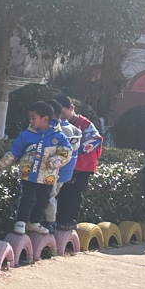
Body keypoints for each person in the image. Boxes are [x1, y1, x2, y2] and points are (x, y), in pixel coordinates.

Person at [0, 102, 73, 234]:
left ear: (45, 119)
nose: (31, 121)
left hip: (47, 177)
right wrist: (3, 164)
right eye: (30, 118)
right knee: (26, 198)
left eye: (33, 118)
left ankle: (34, 222)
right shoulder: (26, 135)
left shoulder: (59, 136)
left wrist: (54, 162)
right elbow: (15, 151)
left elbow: (66, 153)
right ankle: (21, 222)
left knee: (42, 201)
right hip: (28, 176)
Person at [50, 94, 102, 229]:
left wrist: (74, 149)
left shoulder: (84, 124)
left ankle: (69, 221)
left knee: (73, 194)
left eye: (63, 113)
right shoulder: (58, 124)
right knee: (60, 193)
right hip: (65, 167)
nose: (61, 116)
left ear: (71, 108)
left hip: (82, 167)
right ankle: (57, 220)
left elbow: (95, 140)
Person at [43, 106, 82, 230]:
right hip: (66, 172)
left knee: (50, 196)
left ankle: (50, 222)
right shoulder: (74, 129)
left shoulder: (58, 130)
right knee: (53, 195)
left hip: (55, 170)